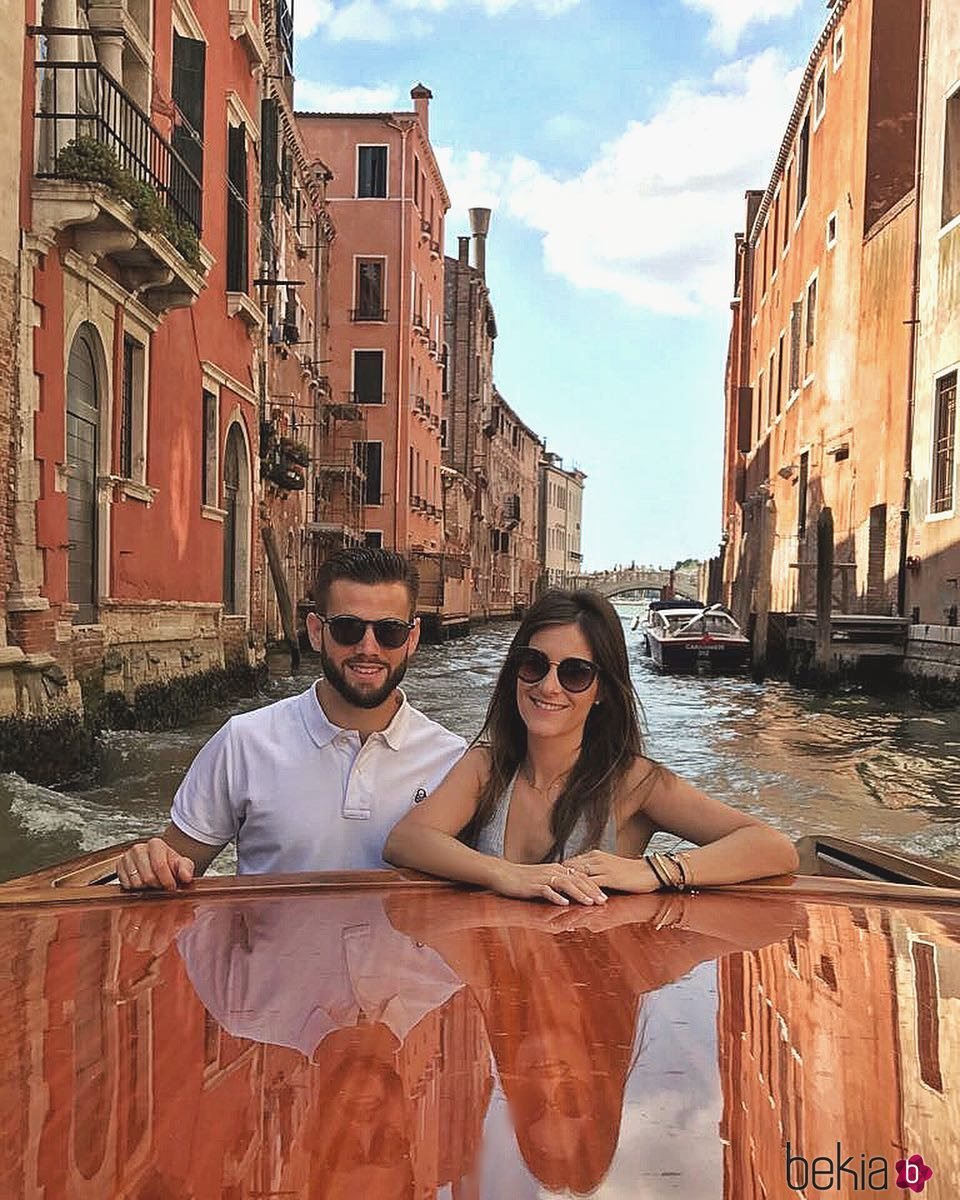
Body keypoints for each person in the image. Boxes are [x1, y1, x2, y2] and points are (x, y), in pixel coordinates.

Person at [384, 589, 799, 904]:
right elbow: (406, 840)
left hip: (589, 997)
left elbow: (773, 847)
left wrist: (654, 871)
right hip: (501, 994)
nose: (548, 687)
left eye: (575, 673)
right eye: (533, 665)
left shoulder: (635, 782)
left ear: (601, 689)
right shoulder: (486, 766)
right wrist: (503, 874)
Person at [118, 548, 466, 890]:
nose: (368, 648)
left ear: (413, 637)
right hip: (270, 949)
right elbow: (176, 865)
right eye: (348, 628)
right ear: (316, 631)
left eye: (390, 631)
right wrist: (150, 861)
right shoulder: (244, 741)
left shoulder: (452, 759)